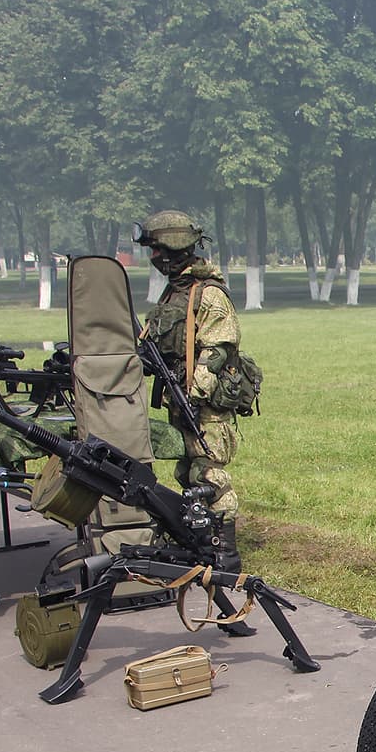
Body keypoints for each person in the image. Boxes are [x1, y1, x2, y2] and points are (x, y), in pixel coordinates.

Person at [136, 210, 252, 585]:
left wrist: (194, 393)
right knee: (187, 473)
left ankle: (226, 556)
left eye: (156, 249)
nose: (153, 258)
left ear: (172, 247)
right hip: (180, 398)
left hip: (202, 405)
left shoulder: (208, 294)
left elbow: (218, 348)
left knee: (209, 474)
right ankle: (201, 543)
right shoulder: (176, 292)